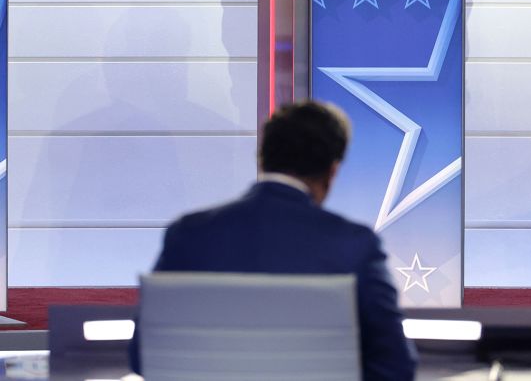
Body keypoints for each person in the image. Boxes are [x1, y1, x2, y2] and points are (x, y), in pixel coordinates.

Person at [136, 101, 416, 380]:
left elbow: (143, 356)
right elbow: (396, 367)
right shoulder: (355, 245)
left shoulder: (187, 234)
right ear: (332, 171)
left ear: (262, 160)